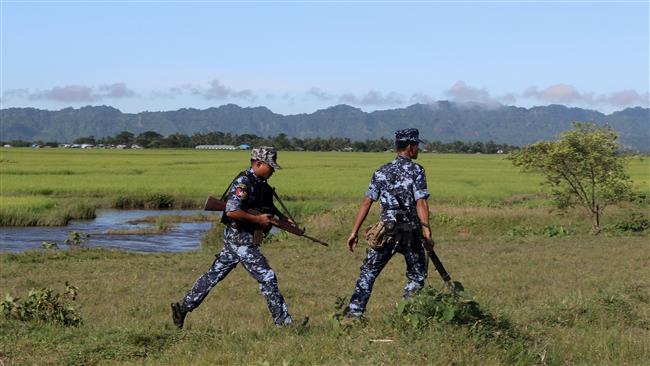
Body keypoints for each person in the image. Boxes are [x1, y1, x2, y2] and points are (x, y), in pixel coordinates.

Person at [171, 146, 302, 328]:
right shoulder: (243, 182)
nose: (273, 170)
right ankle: (285, 324)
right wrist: (257, 219)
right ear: (258, 163)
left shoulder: (261, 184)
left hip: (243, 238)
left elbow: (267, 207)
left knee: (214, 275)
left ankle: (182, 308)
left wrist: (282, 219)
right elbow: (232, 211)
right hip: (239, 238)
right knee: (267, 276)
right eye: (270, 166)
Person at [343, 128, 435, 320]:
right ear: (410, 147)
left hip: (386, 231)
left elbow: (367, 201)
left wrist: (354, 232)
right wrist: (427, 232)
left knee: (368, 272)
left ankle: (354, 314)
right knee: (417, 275)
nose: (418, 149)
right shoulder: (417, 170)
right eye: (417, 145)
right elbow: (421, 202)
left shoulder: (381, 171)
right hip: (411, 232)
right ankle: (409, 314)